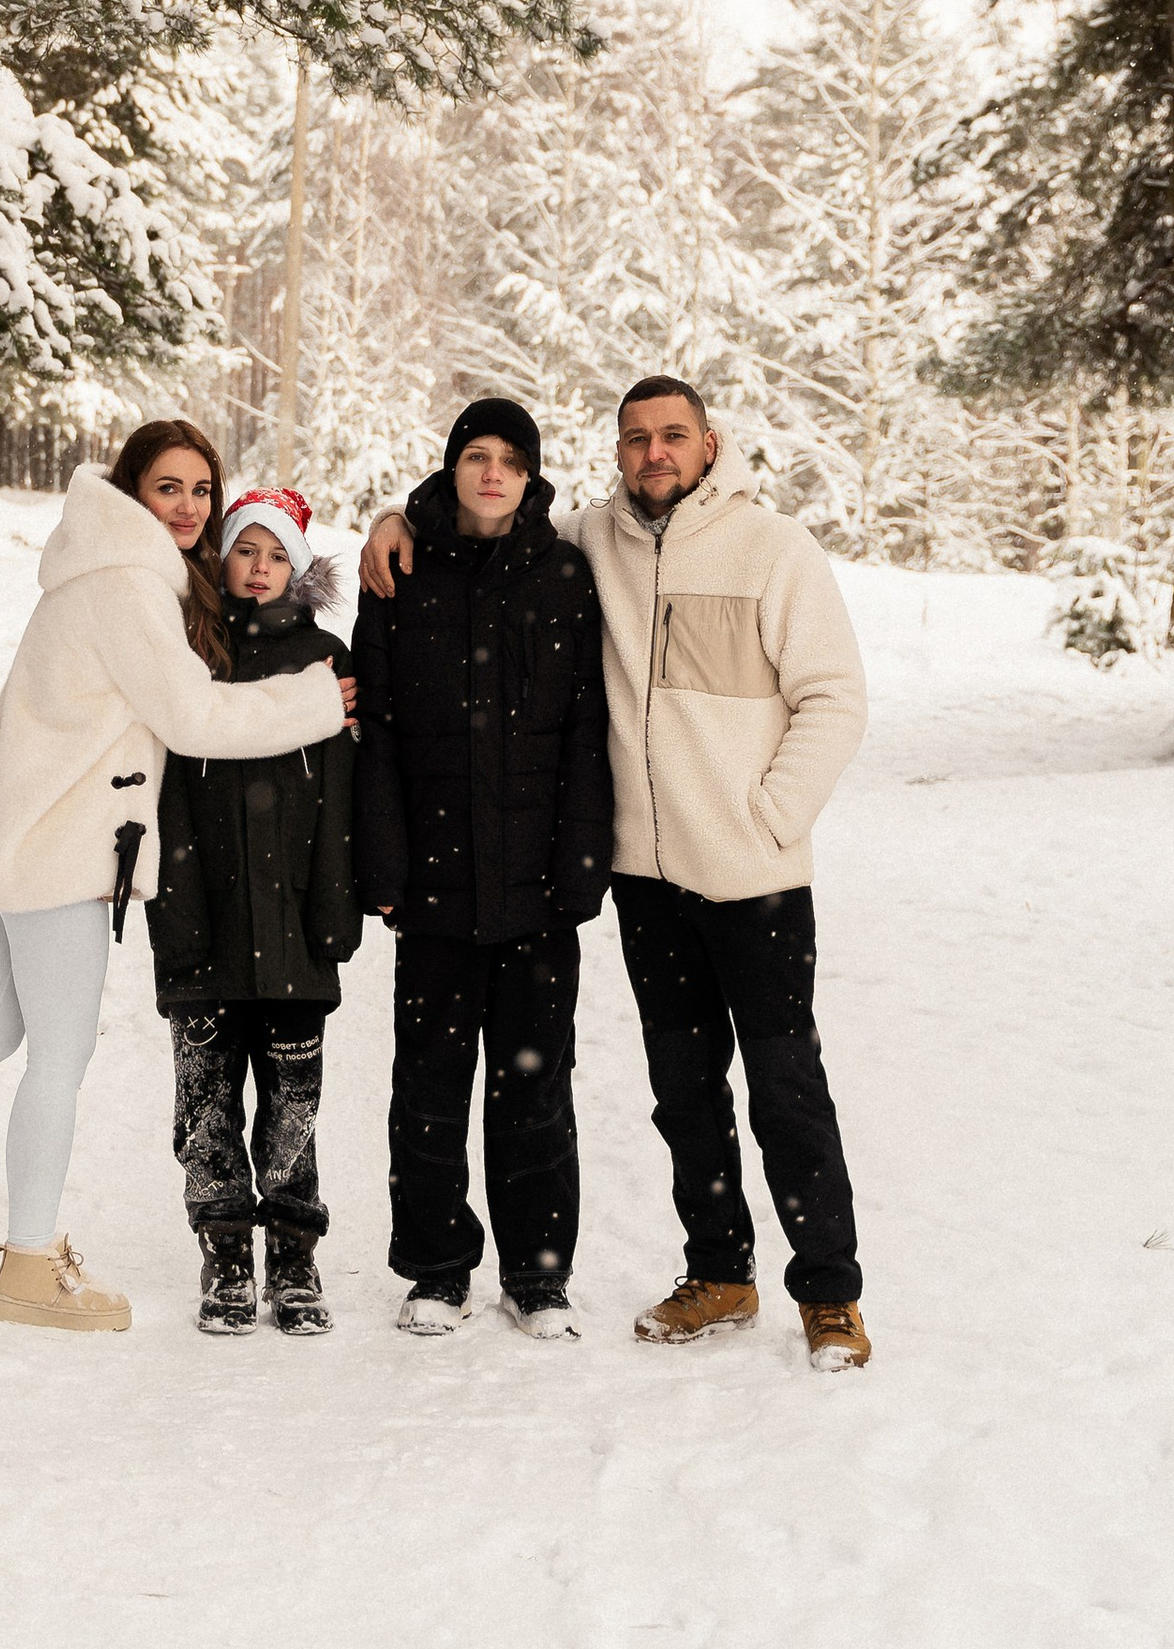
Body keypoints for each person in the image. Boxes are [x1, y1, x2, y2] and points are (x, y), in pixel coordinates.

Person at [0, 421, 351, 1333]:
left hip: (32, 837)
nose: (190, 507)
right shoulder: (126, 584)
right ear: (133, 491)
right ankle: (30, 1263)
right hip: (62, 851)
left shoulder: (102, 568)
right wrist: (318, 701)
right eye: (170, 488)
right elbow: (194, 717)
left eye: (202, 490)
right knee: (59, 1058)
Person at [359, 377, 873, 1372]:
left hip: (754, 874)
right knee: (684, 1094)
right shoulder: (592, 543)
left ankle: (830, 1293)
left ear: (709, 444)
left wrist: (765, 817)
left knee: (785, 1086)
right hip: (644, 878)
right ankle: (719, 1272)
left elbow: (834, 701)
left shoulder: (772, 548)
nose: (654, 453)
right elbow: (480, 512)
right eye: (636, 438)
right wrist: (394, 519)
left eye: (672, 436)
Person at [351, 397, 610, 1340]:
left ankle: (537, 1276)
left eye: (511, 458)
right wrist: (381, 864)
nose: (493, 473)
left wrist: (582, 868)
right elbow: (372, 732)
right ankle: (436, 1267)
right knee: (428, 1084)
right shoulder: (401, 575)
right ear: (452, 466)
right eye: (477, 456)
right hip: (432, 886)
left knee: (535, 1083)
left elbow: (589, 730)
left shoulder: (565, 576)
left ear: (533, 474)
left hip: (539, 886)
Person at [148, 481, 356, 1339]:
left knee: (293, 1101)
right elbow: (168, 803)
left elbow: (340, 801)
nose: (260, 568)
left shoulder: (326, 662)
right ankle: (226, 1243)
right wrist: (175, 911)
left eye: (278, 555)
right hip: (202, 920)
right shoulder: (189, 655)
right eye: (246, 550)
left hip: (298, 930)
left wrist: (334, 909)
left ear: (298, 571)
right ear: (222, 561)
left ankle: (295, 1248)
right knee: (205, 1102)